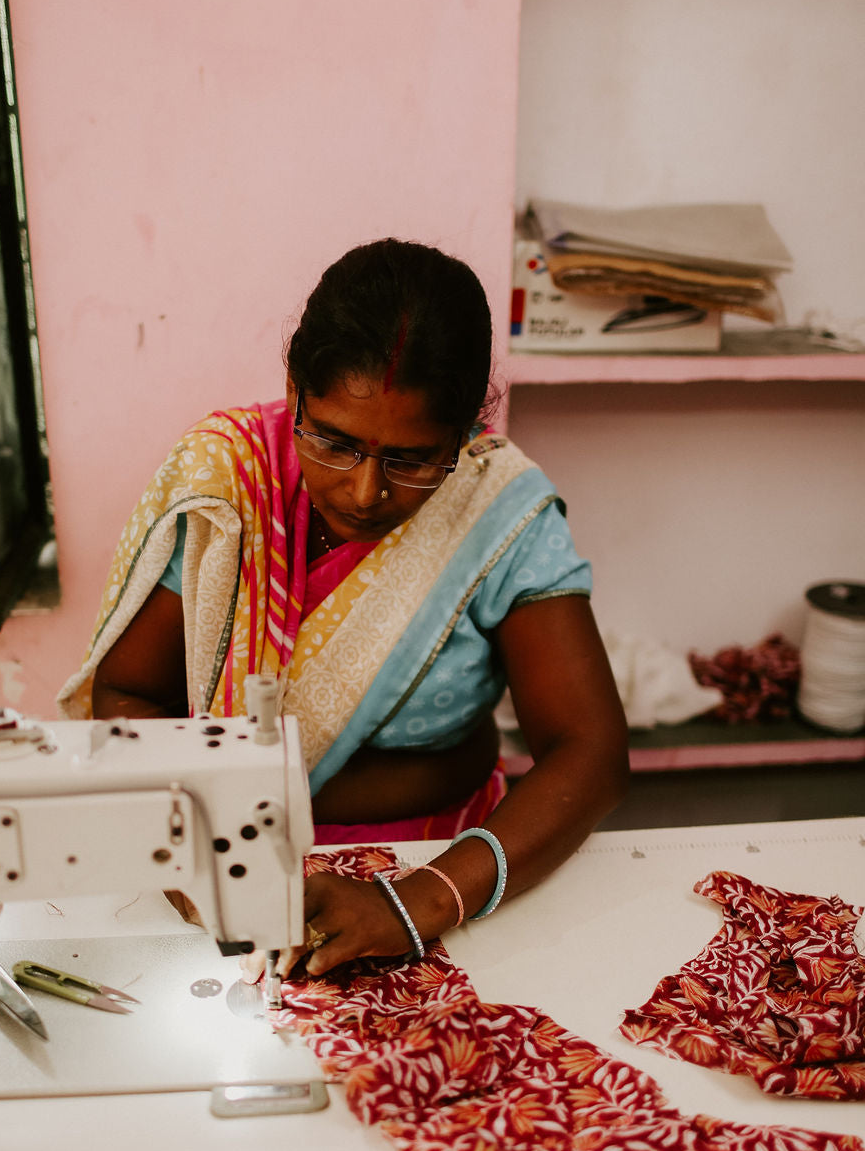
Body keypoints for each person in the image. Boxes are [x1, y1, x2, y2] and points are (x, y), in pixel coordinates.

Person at [58, 239, 629, 980]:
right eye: (334, 442)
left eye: (412, 460)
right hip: (229, 864)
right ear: (295, 391)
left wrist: (419, 901)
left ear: (466, 434)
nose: (365, 492)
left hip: (442, 862)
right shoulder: (226, 482)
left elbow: (590, 751)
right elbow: (129, 692)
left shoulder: (498, 509)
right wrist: (194, 844)